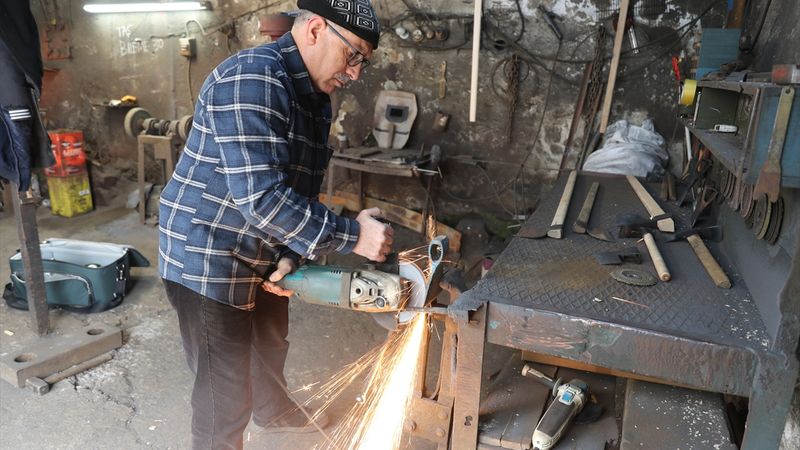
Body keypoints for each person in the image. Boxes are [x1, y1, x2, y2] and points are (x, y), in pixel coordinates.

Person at [157, 1, 392, 448]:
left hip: (258, 244)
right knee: (223, 390)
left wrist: (292, 251)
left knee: (269, 343)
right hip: (207, 252)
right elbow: (263, 200)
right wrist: (353, 235)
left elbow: (296, 187)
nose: (357, 73)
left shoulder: (315, 98)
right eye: (354, 56)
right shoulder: (253, 79)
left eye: (364, 61)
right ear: (316, 29)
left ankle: (274, 412)